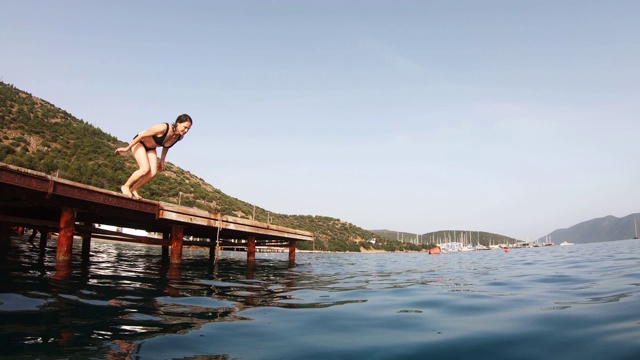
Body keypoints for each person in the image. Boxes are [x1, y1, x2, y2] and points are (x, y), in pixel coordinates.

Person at [114, 114, 193, 199]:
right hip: (140, 142)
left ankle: (133, 190)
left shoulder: (179, 137)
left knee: (152, 173)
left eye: (188, 129)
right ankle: (125, 186)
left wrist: (162, 161)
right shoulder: (163, 128)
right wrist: (127, 148)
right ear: (178, 123)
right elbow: (142, 136)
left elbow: (166, 146)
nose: (186, 130)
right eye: (185, 127)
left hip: (151, 148)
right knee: (144, 169)